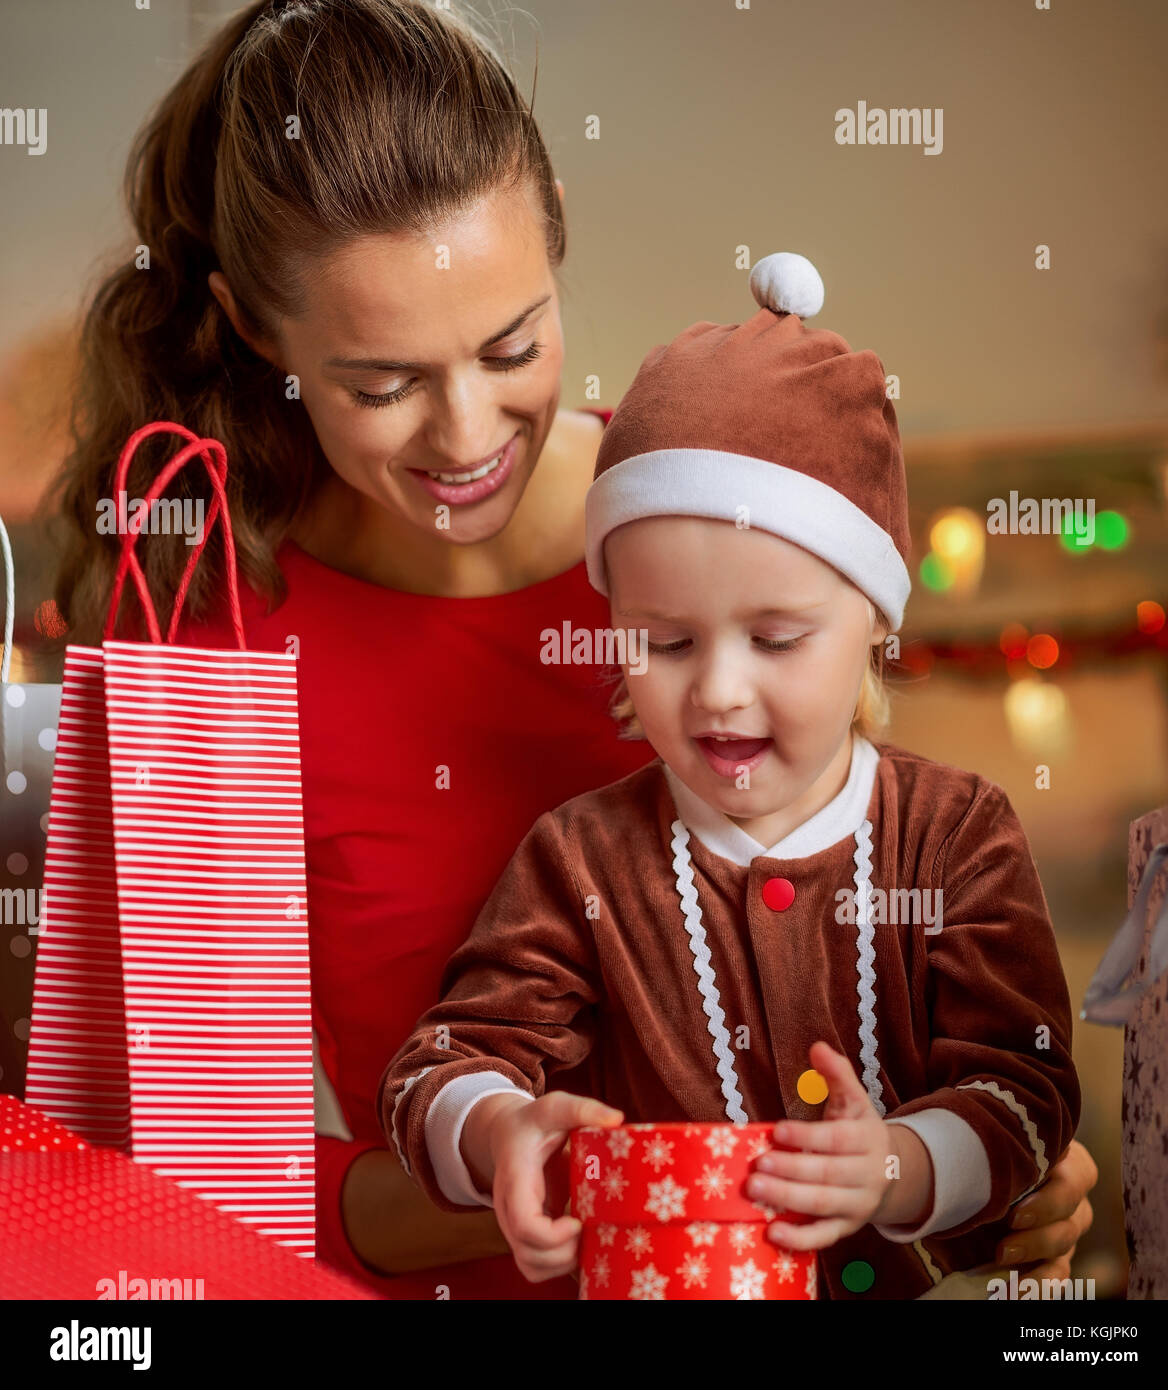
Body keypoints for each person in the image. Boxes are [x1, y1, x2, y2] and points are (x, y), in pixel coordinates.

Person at [48, 0, 1096, 1299]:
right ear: (259, 333)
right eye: (383, 384)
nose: (467, 430)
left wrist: (973, 1165)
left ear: (550, 218)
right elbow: (205, 1177)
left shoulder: (710, 507)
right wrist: (578, 1184)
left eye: (511, 345)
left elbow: (877, 926)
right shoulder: (211, 647)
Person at [383, 253, 1085, 1300]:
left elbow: (1026, 1089)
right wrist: (498, 1132)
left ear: (873, 619)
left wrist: (897, 1166)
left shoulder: (955, 833)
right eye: (665, 643)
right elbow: (439, 1064)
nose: (717, 691)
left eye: (775, 637)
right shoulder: (585, 857)